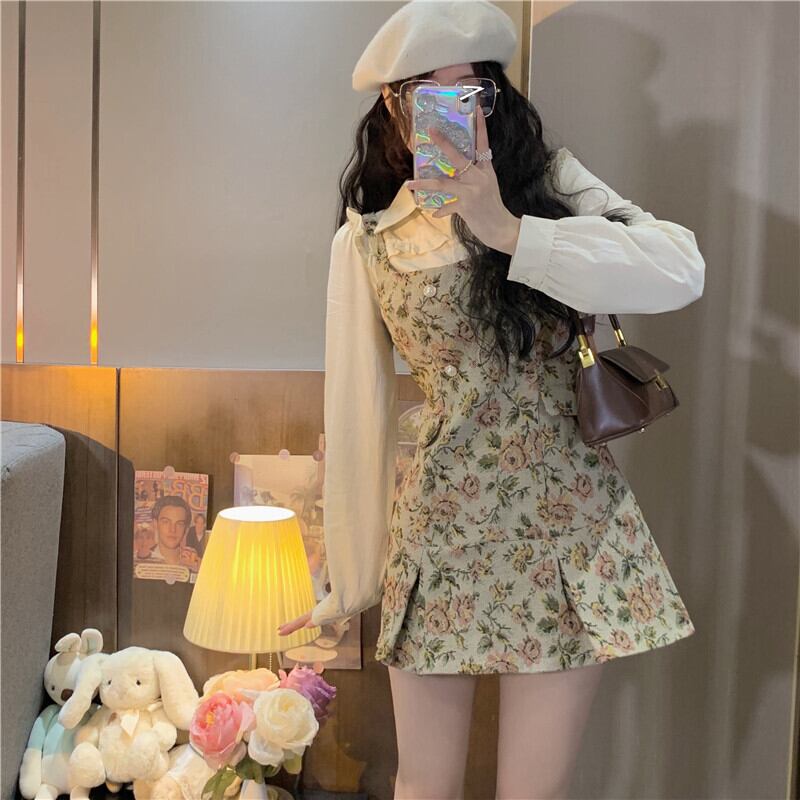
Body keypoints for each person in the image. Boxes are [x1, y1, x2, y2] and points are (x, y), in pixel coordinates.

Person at [279, 1, 705, 797]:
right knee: (424, 786)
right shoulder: (368, 240)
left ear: (492, 100)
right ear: (394, 107)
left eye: (469, 92)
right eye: (427, 94)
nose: (452, 112)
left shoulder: (552, 188)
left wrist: (508, 229)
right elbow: (358, 416)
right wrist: (352, 578)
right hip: (441, 531)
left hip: (565, 526)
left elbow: (681, 270)